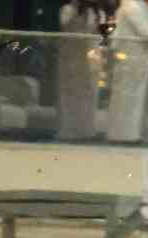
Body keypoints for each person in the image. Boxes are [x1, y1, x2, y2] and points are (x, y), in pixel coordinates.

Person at [106, 0, 148, 144]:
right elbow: (145, 31)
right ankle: (120, 136)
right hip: (129, 59)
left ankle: (130, 135)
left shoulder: (141, 6)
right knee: (124, 99)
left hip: (138, 60)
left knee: (134, 99)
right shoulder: (130, 6)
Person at [59, 1, 103, 141]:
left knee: (87, 95)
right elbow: (66, 26)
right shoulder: (68, 10)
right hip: (71, 58)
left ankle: (87, 132)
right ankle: (69, 132)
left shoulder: (94, 13)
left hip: (88, 59)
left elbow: (98, 34)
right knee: (70, 95)